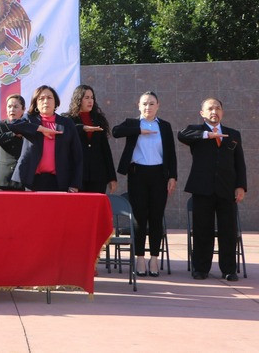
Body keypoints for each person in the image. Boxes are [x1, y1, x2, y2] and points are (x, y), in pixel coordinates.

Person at [178, 98, 247, 282]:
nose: (214, 111)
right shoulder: (196, 131)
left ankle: (229, 269)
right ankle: (200, 269)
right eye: (210, 108)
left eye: (217, 108)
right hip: (202, 190)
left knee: (228, 231)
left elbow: (239, 163)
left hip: (227, 190)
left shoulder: (233, 134)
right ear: (202, 113)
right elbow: (181, 134)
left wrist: (241, 186)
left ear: (222, 112)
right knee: (202, 230)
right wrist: (206, 136)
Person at [112, 91, 177, 278]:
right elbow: (116, 131)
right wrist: (138, 130)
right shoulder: (133, 123)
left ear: (158, 105)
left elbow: (171, 154)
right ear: (138, 106)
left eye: (152, 104)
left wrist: (172, 176)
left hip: (159, 175)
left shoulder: (164, 126)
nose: (148, 107)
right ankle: (140, 257)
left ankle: (154, 258)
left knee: (156, 217)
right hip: (137, 174)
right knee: (139, 217)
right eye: (144, 104)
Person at [8, 85, 83, 192]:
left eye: (49, 98)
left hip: (59, 181)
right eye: (41, 99)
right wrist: (40, 128)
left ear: (55, 102)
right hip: (31, 180)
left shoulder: (66, 123)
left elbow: (77, 156)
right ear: (36, 104)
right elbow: (13, 125)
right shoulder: (29, 119)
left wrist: (75, 183)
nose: (45, 101)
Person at [64, 84, 117, 194]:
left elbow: (105, 150)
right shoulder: (68, 119)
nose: (90, 101)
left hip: (98, 175)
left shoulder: (99, 119)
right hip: (77, 175)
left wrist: (112, 177)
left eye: (92, 97)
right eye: (86, 98)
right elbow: (65, 132)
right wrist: (82, 128)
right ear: (78, 99)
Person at [0, 94, 26, 191]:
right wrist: (12, 134)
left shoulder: (28, 126)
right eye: (9, 106)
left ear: (23, 109)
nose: (12, 109)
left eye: (16, 107)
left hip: (22, 179)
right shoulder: (0, 125)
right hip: (3, 179)